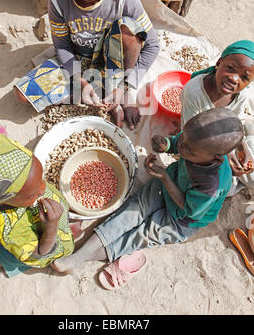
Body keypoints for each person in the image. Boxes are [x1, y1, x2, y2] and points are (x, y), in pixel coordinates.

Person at [53, 108, 243, 289]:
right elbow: (179, 142)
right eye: (184, 138)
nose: (182, 146)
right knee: (132, 211)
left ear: (217, 157)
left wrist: (166, 178)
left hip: (182, 219)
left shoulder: (213, 184)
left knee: (141, 234)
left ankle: (84, 258)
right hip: (166, 187)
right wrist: (167, 144)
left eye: (189, 149)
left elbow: (188, 207)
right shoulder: (194, 144)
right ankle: (78, 256)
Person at [14, 0, 160, 130]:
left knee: (129, 30)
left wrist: (125, 87)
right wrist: (80, 80)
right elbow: (62, 46)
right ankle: (95, 94)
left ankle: (117, 95)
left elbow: (152, 45)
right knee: (23, 94)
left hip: (114, 66)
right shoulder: (58, 1)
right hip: (78, 61)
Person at [0, 129, 74, 277]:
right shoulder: (8, 230)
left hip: (16, 219)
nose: (43, 188)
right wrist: (51, 228)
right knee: (11, 257)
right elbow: (37, 253)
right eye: (32, 194)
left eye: (41, 179)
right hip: (35, 244)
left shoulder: (9, 195)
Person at [180, 40, 254, 194]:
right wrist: (226, 155)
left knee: (248, 169)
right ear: (219, 62)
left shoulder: (241, 96)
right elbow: (190, 136)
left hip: (225, 138)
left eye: (244, 78)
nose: (234, 79)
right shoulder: (194, 93)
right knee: (218, 188)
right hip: (200, 141)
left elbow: (235, 123)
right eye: (231, 68)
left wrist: (242, 147)